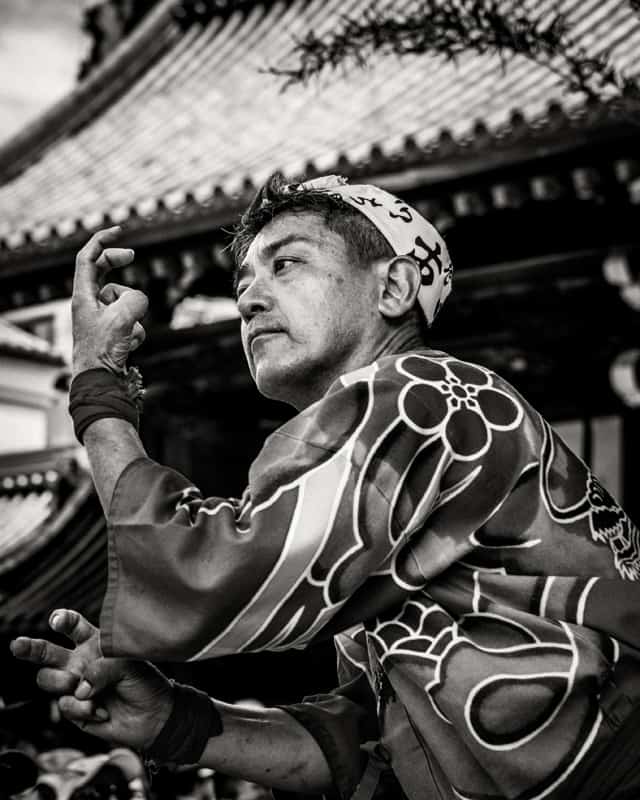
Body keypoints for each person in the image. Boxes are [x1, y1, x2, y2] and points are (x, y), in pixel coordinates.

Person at [11, 174, 640, 800]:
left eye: (286, 264)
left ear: (393, 288)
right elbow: (369, 749)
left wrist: (98, 384)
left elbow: (202, 568)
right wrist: (173, 718)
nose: (249, 301)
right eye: (243, 283)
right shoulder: (382, 477)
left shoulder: (417, 395)